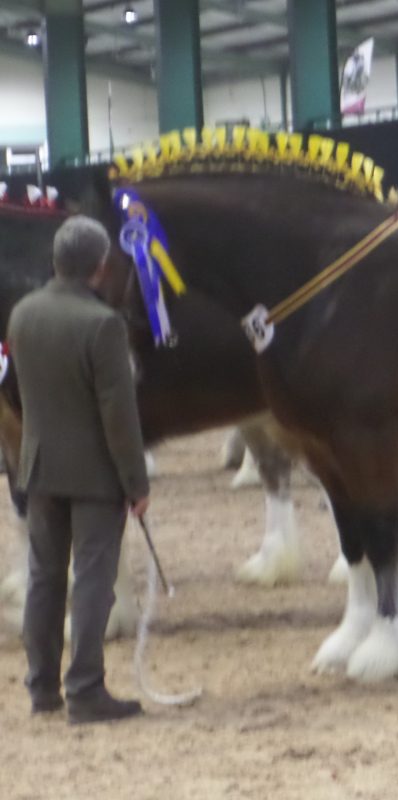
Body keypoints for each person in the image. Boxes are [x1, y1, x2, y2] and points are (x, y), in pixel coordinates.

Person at [9, 216, 150, 724]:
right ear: (101, 266)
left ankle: (42, 686)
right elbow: (119, 415)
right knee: (93, 579)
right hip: (94, 476)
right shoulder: (103, 325)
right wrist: (136, 482)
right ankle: (86, 689)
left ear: (55, 261)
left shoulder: (23, 313)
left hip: (40, 465)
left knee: (44, 578)